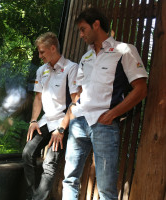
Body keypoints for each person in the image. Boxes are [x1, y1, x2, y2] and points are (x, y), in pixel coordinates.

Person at [61, 8, 148, 200]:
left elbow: (141, 89)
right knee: (69, 179)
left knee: (106, 188)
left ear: (96, 24)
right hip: (79, 123)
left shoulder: (124, 50)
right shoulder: (86, 57)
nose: (81, 35)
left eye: (83, 29)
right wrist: (75, 110)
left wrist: (112, 114)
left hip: (104, 125)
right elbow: (80, 91)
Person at [22, 32, 79, 200]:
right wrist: (33, 120)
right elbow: (38, 97)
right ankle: (32, 195)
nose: (39, 56)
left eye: (42, 52)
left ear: (53, 48)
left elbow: (75, 101)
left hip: (63, 121)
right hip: (46, 120)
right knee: (27, 153)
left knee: (49, 163)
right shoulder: (42, 70)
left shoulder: (71, 68)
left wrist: (61, 129)